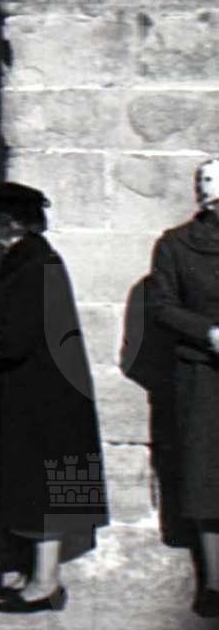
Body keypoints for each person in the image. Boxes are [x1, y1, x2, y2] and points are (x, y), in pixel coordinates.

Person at [0, 181, 106, 613]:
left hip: (40, 396)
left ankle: (46, 583)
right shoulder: (32, 259)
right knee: (31, 486)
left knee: (41, 489)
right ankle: (36, 575)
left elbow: (14, 337)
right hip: (38, 392)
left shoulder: (32, 264)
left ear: (7, 223)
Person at [148, 157, 219, 617]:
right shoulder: (175, 245)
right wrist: (208, 333)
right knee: (207, 479)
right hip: (202, 375)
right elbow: (162, 305)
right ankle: (214, 581)